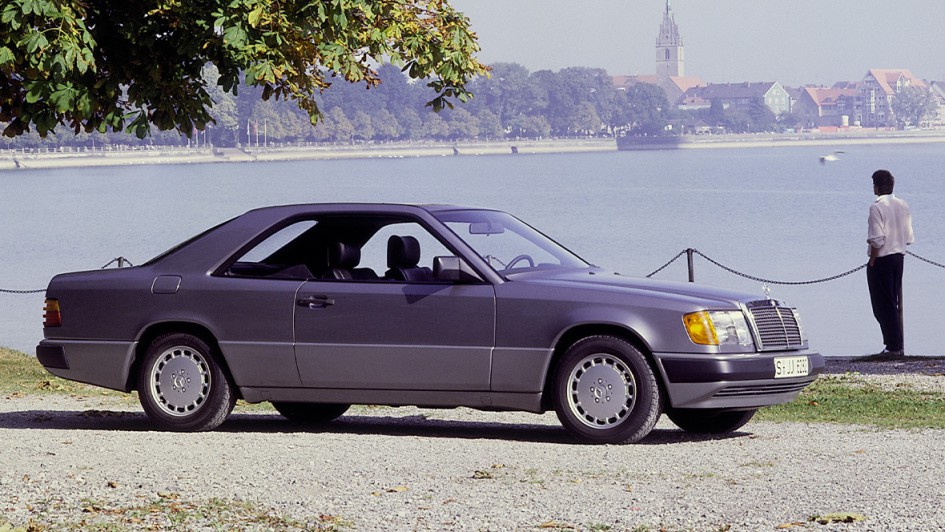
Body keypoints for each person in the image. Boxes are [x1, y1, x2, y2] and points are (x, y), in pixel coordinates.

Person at [866, 169, 914, 357]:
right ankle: (895, 343)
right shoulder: (903, 205)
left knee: (882, 305)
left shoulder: (876, 208)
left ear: (877, 187)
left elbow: (877, 239)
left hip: (882, 259)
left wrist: (872, 259)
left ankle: (893, 345)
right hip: (898, 258)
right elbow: (909, 237)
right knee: (892, 301)